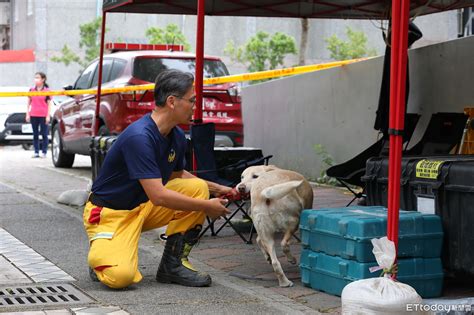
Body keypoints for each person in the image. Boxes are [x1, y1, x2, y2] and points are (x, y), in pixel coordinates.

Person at [83, 69, 236, 289]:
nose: (195, 105)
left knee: (197, 187)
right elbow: (159, 195)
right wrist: (207, 206)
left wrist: (216, 188)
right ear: (172, 101)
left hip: (142, 207)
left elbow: (177, 176)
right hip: (110, 215)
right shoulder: (139, 137)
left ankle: (172, 266)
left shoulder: (176, 136)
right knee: (121, 278)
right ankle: (102, 250)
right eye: (192, 100)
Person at [26, 72, 52, 158]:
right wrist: (27, 114)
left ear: (43, 79)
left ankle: (44, 152)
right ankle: (36, 152)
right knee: (35, 134)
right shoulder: (31, 90)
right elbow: (28, 103)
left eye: (38, 78)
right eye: (35, 77)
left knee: (44, 134)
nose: (36, 79)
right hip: (33, 114)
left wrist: (48, 116)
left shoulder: (47, 91)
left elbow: (49, 104)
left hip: (43, 115)